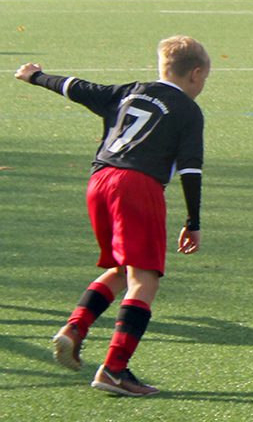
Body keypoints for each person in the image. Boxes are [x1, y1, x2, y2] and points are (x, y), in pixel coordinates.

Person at [16, 36, 210, 396]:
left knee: (123, 270)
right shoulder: (188, 110)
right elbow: (191, 169)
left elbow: (75, 87)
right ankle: (114, 369)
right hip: (137, 186)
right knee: (145, 279)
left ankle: (75, 328)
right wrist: (193, 222)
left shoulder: (129, 91)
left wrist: (36, 76)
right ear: (196, 74)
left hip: (100, 181)